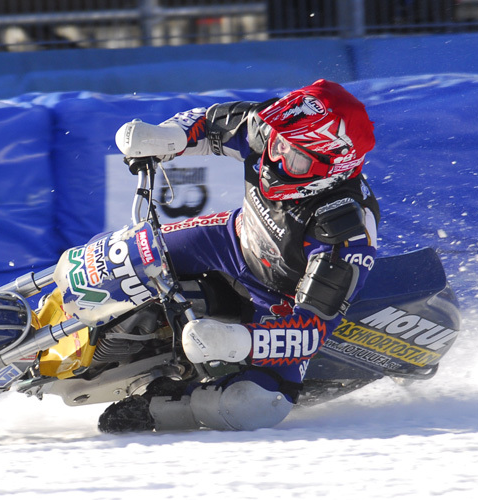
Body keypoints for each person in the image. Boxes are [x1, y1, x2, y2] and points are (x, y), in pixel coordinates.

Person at [98, 79, 380, 433]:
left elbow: (310, 331)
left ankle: (162, 401)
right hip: (232, 239)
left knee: (250, 405)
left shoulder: (343, 229)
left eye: (292, 156)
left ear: (332, 166)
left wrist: (238, 342)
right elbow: (211, 122)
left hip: (281, 302)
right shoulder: (274, 128)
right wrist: (168, 136)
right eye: (276, 143)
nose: (274, 158)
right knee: (127, 252)